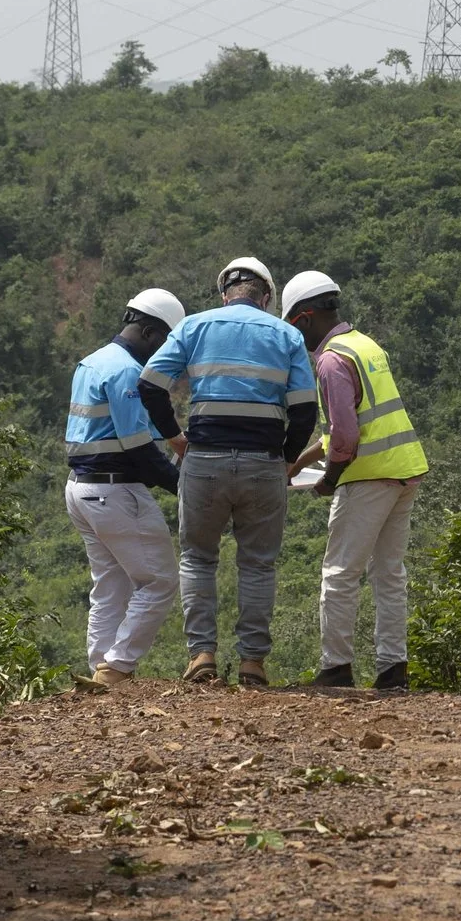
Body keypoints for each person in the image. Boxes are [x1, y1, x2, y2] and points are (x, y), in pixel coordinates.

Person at [137, 257, 318, 687]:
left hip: (204, 461)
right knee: (258, 564)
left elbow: (149, 384)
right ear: (266, 297)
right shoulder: (287, 335)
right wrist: (286, 459)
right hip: (263, 462)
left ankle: (202, 656)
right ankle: (252, 663)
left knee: (198, 558)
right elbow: (305, 409)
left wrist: (175, 437)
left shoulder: (193, 327)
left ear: (224, 294)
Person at [280, 270, 429, 692]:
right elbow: (342, 430)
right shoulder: (365, 345)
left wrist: (329, 479)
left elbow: (345, 437)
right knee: (389, 575)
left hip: (367, 478)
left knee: (340, 574)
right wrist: (296, 464)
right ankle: (392, 669)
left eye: (295, 327)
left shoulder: (330, 361)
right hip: (403, 471)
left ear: (305, 317)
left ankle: (336, 668)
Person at [64, 288, 189, 688]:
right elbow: (138, 449)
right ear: (151, 332)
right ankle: (117, 667)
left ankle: (100, 668)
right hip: (113, 491)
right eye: (165, 343)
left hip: (80, 491)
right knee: (160, 581)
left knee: (110, 585)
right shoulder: (127, 372)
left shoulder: (92, 361)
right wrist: (187, 489)